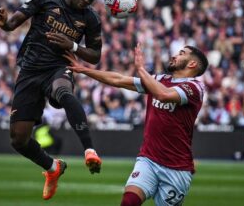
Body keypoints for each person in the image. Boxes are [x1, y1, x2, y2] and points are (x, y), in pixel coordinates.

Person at [0, 0, 108, 200]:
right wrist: (5, 24)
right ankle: (53, 168)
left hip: (58, 68)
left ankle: (90, 150)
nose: (86, 0)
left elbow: (95, 55)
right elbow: (13, 23)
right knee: (18, 139)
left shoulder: (91, 19)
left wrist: (73, 46)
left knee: (64, 91)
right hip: (30, 70)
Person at [64, 43, 208, 206]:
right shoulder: (160, 79)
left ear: (192, 64)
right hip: (149, 159)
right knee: (128, 202)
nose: (175, 55)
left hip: (177, 168)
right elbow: (118, 79)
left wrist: (141, 68)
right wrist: (83, 70)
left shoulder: (195, 88)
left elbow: (163, 94)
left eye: (182, 53)